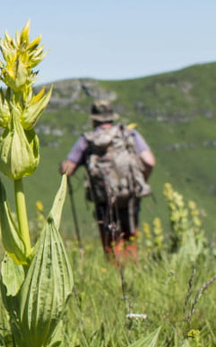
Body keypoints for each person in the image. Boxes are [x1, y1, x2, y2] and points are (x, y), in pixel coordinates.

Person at [59, 101, 156, 262]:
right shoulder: (129, 134)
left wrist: (62, 166)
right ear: (111, 117)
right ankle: (133, 268)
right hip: (130, 193)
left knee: (110, 239)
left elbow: (67, 170)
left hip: (103, 198)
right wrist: (142, 181)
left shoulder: (87, 140)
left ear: (94, 119)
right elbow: (149, 161)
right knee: (130, 234)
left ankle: (115, 271)